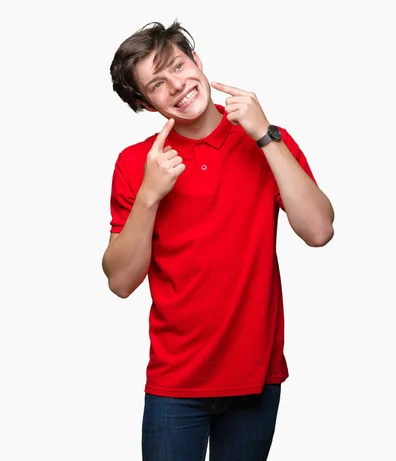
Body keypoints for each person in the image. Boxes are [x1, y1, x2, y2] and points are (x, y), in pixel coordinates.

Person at [102, 20, 335, 461]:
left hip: (256, 377)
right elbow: (120, 281)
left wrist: (266, 136)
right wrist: (150, 194)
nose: (177, 85)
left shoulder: (268, 142)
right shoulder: (137, 164)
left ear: (198, 62)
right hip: (176, 383)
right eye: (157, 83)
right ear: (144, 102)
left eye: (179, 65)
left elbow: (319, 230)